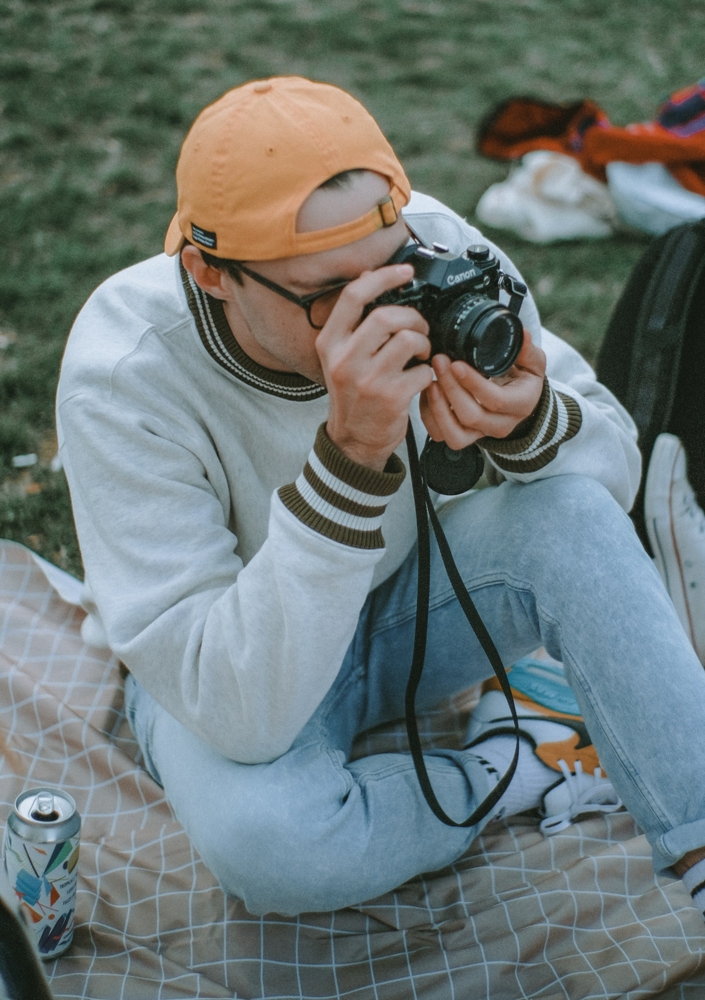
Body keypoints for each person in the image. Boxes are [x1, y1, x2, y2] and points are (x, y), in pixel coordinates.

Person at [57, 76, 705, 918]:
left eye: (391, 269)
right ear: (209, 273)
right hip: (233, 659)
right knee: (271, 850)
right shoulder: (124, 370)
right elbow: (237, 712)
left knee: (569, 510)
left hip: (409, 609)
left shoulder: (438, 250)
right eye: (331, 296)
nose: (382, 312)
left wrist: (530, 421)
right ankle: (505, 765)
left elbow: (611, 472)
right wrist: (350, 458)